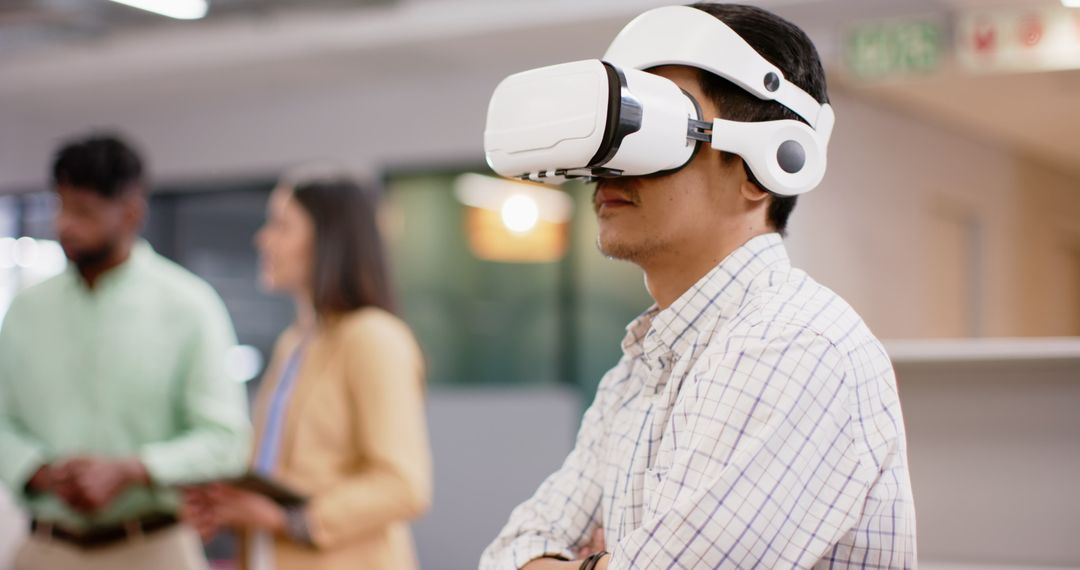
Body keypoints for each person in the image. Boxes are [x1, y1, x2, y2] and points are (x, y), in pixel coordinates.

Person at [479, 4, 915, 569]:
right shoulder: (641, 368)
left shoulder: (796, 346)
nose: (612, 166)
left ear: (768, 165)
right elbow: (506, 554)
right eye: (617, 128)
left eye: (654, 129)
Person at [0, 133, 251, 569]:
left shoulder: (189, 306)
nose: (65, 226)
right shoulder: (25, 310)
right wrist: (37, 470)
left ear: (131, 212)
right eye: (61, 206)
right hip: (47, 550)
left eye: (85, 212)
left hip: (153, 549)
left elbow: (226, 440)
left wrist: (133, 469)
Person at [183, 172, 432, 570]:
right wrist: (230, 504)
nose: (263, 239)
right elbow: (284, 472)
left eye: (282, 225)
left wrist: (287, 520)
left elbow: (402, 485)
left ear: (329, 239)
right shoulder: (293, 343)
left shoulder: (373, 337)